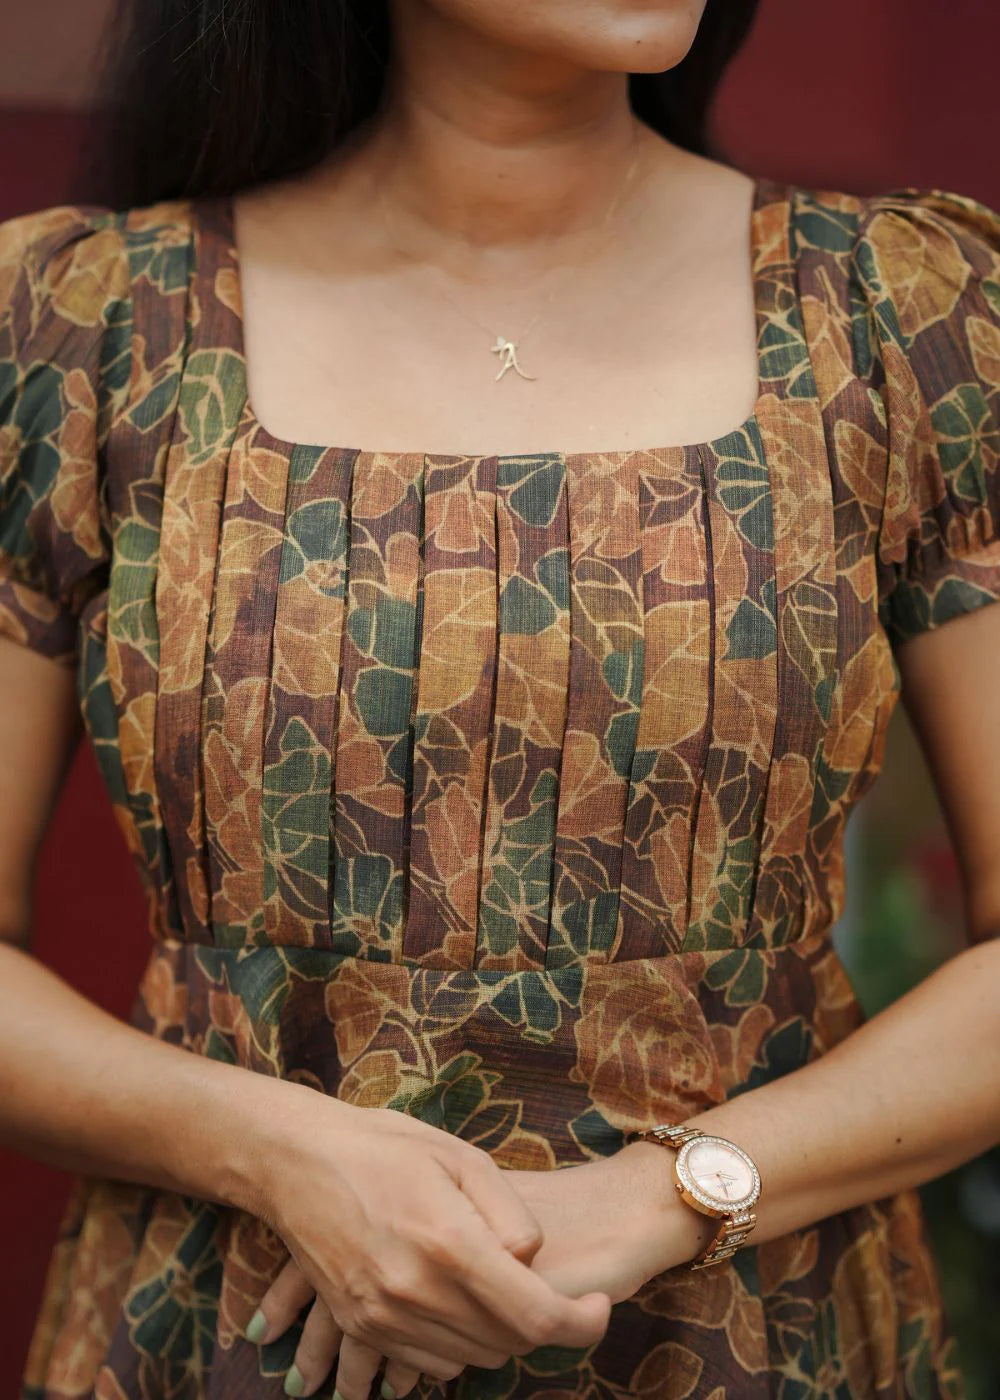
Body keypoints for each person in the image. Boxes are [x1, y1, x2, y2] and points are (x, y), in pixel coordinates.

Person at [1, 0, 999, 1396]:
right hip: (243, 1332)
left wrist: (673, 1192)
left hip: (755, 1334)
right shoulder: (84, 327)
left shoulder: (899, 314)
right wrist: (275, 1151)